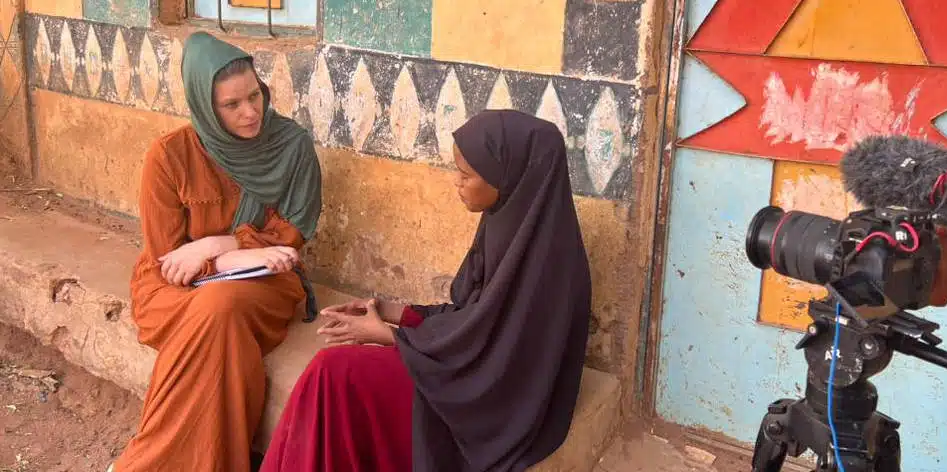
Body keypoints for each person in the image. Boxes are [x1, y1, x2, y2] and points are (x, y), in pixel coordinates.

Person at [259, 109, 592, 472]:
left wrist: (390, 337)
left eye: (467, 175)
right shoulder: (507, 221)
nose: (457, 183)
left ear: (510, 178)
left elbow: (500, 360)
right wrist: (391, 311)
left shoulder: (549, 261)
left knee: (334, 372)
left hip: (489, 405)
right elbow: (474, 314)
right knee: (331, 376)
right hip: (462, 372)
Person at [110, 32, 322, 472]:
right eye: (232, 105)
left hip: (265, 276)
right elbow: (168, 258)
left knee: (219, 306)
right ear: (206, 106)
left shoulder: (292, 145)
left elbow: (293, 234)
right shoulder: (169, 156)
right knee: (215, 311)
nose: (250, 112)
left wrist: (223, 244)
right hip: (172, 286)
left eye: (254, 96)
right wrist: (224, 258)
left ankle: (145, 463)